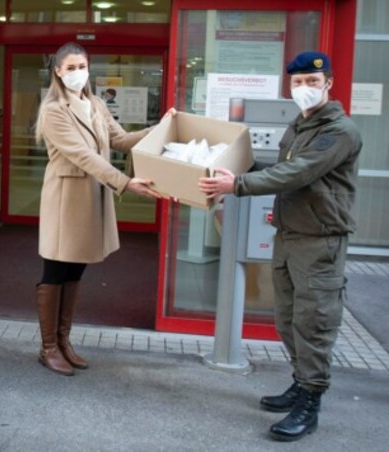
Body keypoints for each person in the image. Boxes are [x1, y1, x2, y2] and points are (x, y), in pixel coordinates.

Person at [198, 51, 361, 442]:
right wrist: (238, 169)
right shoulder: (300, 125)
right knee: (288, 319)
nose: (304, 88)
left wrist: (236, 185)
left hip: (320, 241)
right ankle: (300, 383)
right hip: (289, 235)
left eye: (311, 82)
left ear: (329, 84)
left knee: (314, 322)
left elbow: (298, 172)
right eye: (298, 82)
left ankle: (311, 400)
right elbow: (276, 166)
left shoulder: (339, 131)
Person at [33, 42, 174, 376]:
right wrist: (125, 182)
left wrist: (162, 129)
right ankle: (48, 347)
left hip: (92, 195)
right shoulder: (54, 110)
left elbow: (120, 140)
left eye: (82, 66)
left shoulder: (94, 103)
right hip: (67, 198)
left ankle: (64, 341)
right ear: (57, 71)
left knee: (76, 270)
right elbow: (82, 155)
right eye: (70, 68)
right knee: (55, 270)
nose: (77, 73)